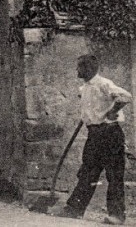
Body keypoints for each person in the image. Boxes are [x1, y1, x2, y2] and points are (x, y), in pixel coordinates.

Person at [56, 54, 131, 224]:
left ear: (88, 69)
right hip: (94, 134)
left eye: (79, 67)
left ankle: (117, 215)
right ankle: (75, 209)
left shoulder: (103, 83)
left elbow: (125, 96)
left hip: (110, 133)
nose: (77, 70)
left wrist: (113, 111)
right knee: (87, 172)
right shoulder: (84, 89)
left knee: (114, 175)